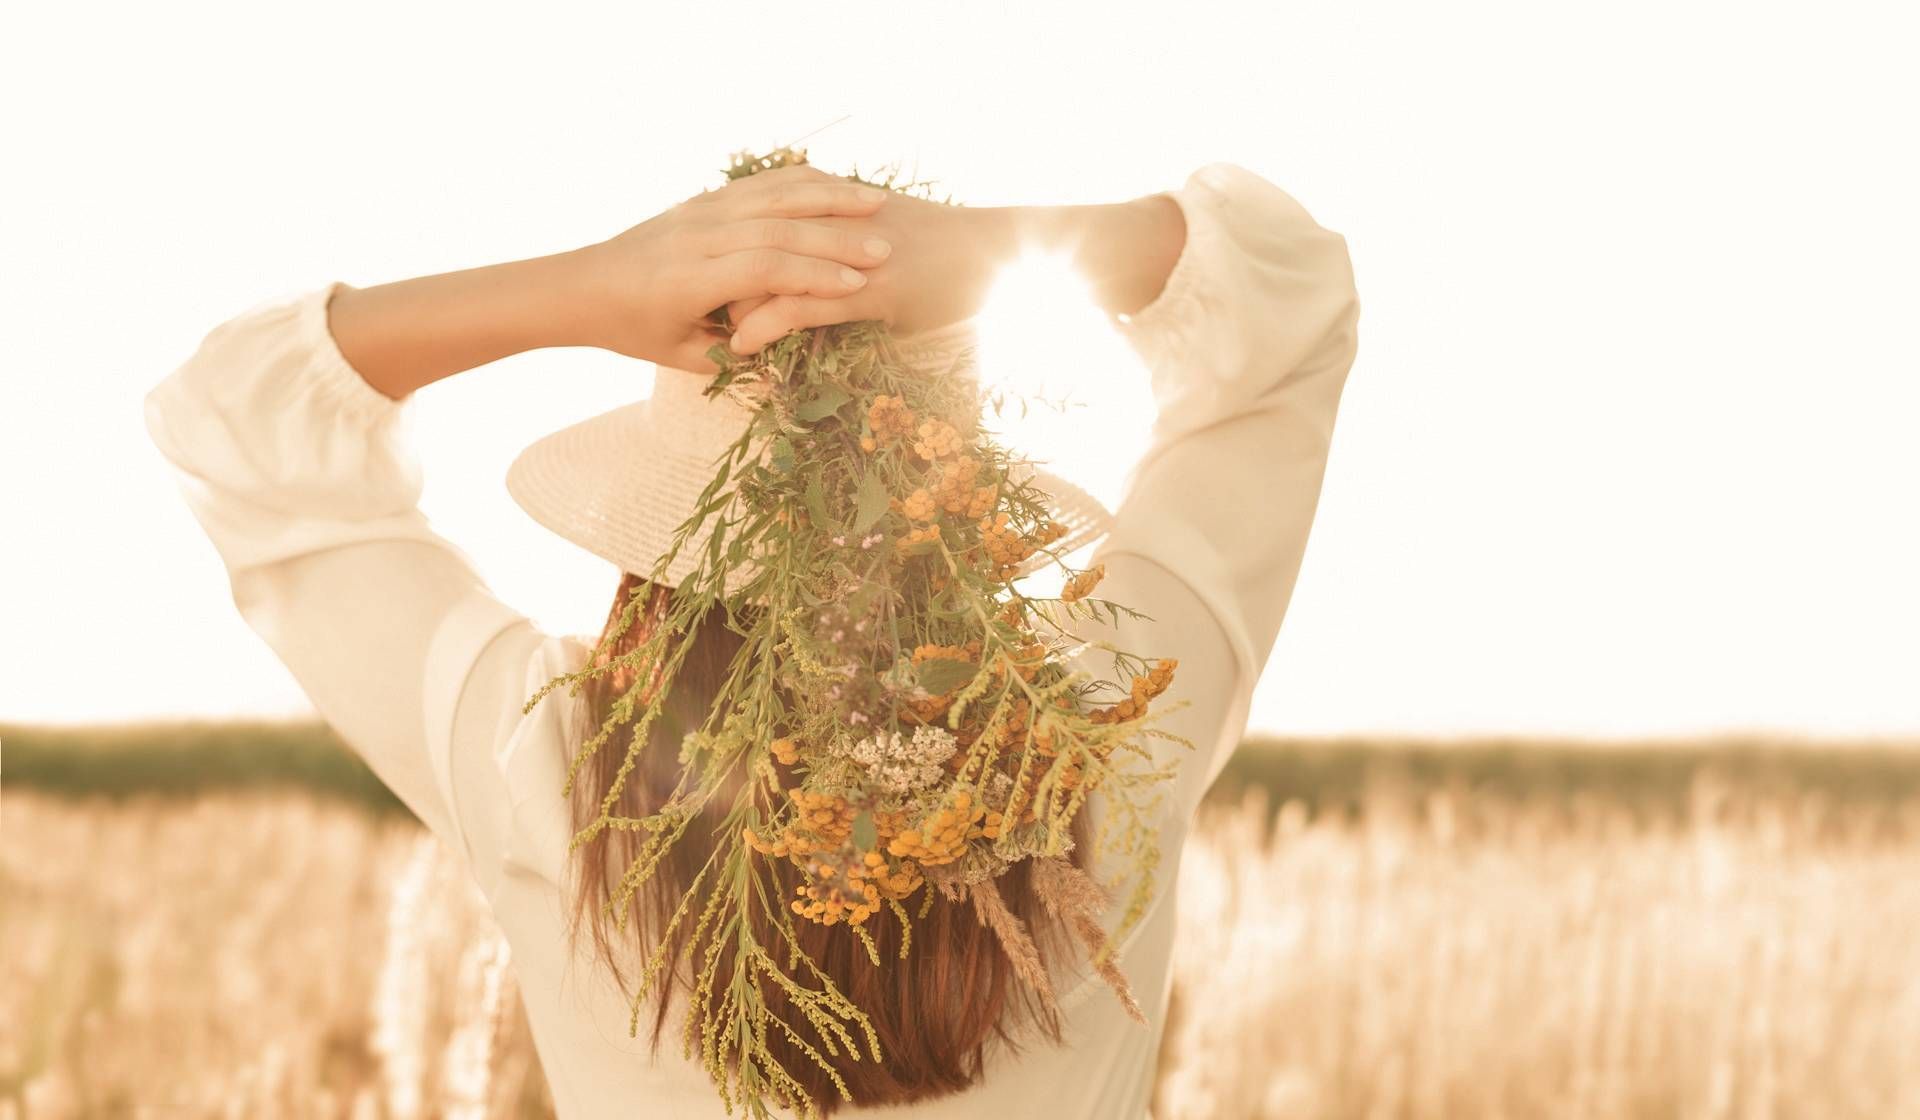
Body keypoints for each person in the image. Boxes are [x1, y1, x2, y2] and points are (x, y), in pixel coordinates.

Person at [143, 158, 1359, 1118]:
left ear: (670, 528)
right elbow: (1286, 302)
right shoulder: (1113, 718)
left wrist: (592, 287)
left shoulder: (553, 771)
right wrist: (985, 254)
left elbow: (232, 419)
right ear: (959, 492)